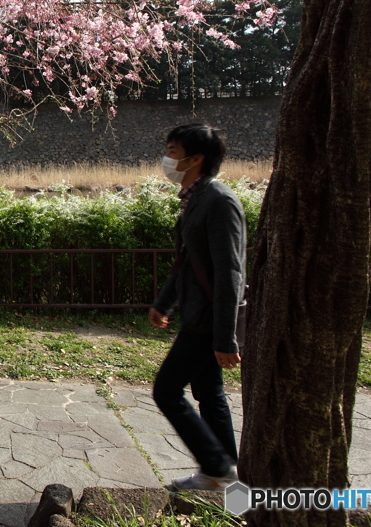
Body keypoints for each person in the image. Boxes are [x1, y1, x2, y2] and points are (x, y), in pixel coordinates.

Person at [149, 124, 246, 491]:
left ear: (196, 158)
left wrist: (225, 337)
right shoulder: (196, 198)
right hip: (197, 313)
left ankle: (218, 467)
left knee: (167, 390)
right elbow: (188, 261)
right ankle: (228, 476)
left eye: (172, 150)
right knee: (209, 393)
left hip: (207, 321)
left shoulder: (219, 201)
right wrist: (164, 303)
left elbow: (230, 272)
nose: (166, 158)